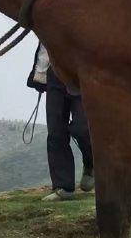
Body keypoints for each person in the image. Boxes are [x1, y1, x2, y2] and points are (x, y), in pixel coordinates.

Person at [27, 43, 93, 201]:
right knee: (56, 131)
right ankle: (63, 187)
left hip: (82, 68)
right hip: (54, 72)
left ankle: (91, 164)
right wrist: (40, 74)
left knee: (82, 127)